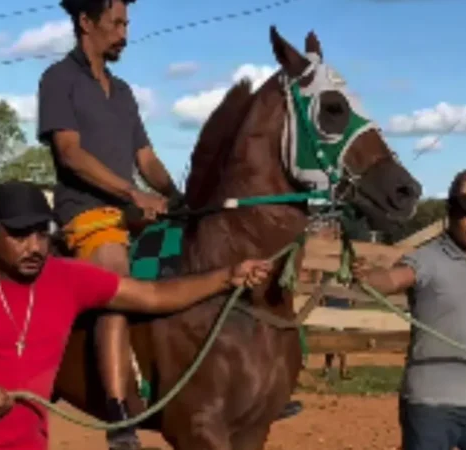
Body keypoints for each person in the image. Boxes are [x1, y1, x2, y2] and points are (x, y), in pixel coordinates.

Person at [36, 1, 299, 447]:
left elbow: (147, 159)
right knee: (117, 284)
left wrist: (178, 200)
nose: (124, 32)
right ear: (85, 22)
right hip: (88, 214)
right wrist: (132, 193)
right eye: (116, 23)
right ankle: (118, 412)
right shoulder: (58, 80)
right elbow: (70, 153)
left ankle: (246, 389)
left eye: (127, 23)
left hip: (130, 214)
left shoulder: (121, 92)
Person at [0, 181, 275, 450]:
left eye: (41, 233)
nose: (34, 246)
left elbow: (153, 295)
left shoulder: (65, 278)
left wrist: (226, 276)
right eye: (19, 235)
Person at [354, 168, 466, 450]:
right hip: (430, 408)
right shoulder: (426, 259)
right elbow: (392, 279)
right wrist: (368, 276)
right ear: (450, 212)